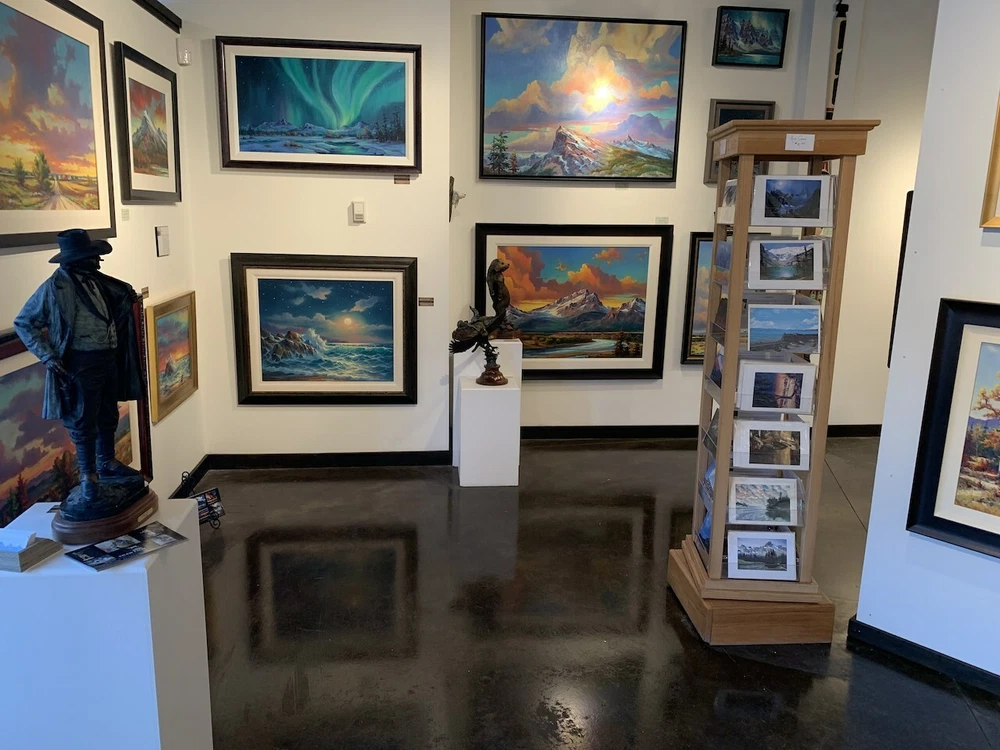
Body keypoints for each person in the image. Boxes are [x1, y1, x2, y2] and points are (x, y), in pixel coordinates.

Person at [14, 229, 145, 512]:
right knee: (83, 421)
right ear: (77, 260)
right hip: (80, 364)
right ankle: (88, 479)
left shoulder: (99, 282)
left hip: (107, 359)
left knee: (108, 412)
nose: (97, 261)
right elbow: (24, 323)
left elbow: (116, 301)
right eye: (92, 256)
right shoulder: (54, 287)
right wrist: (47, 355)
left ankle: (106, 461)